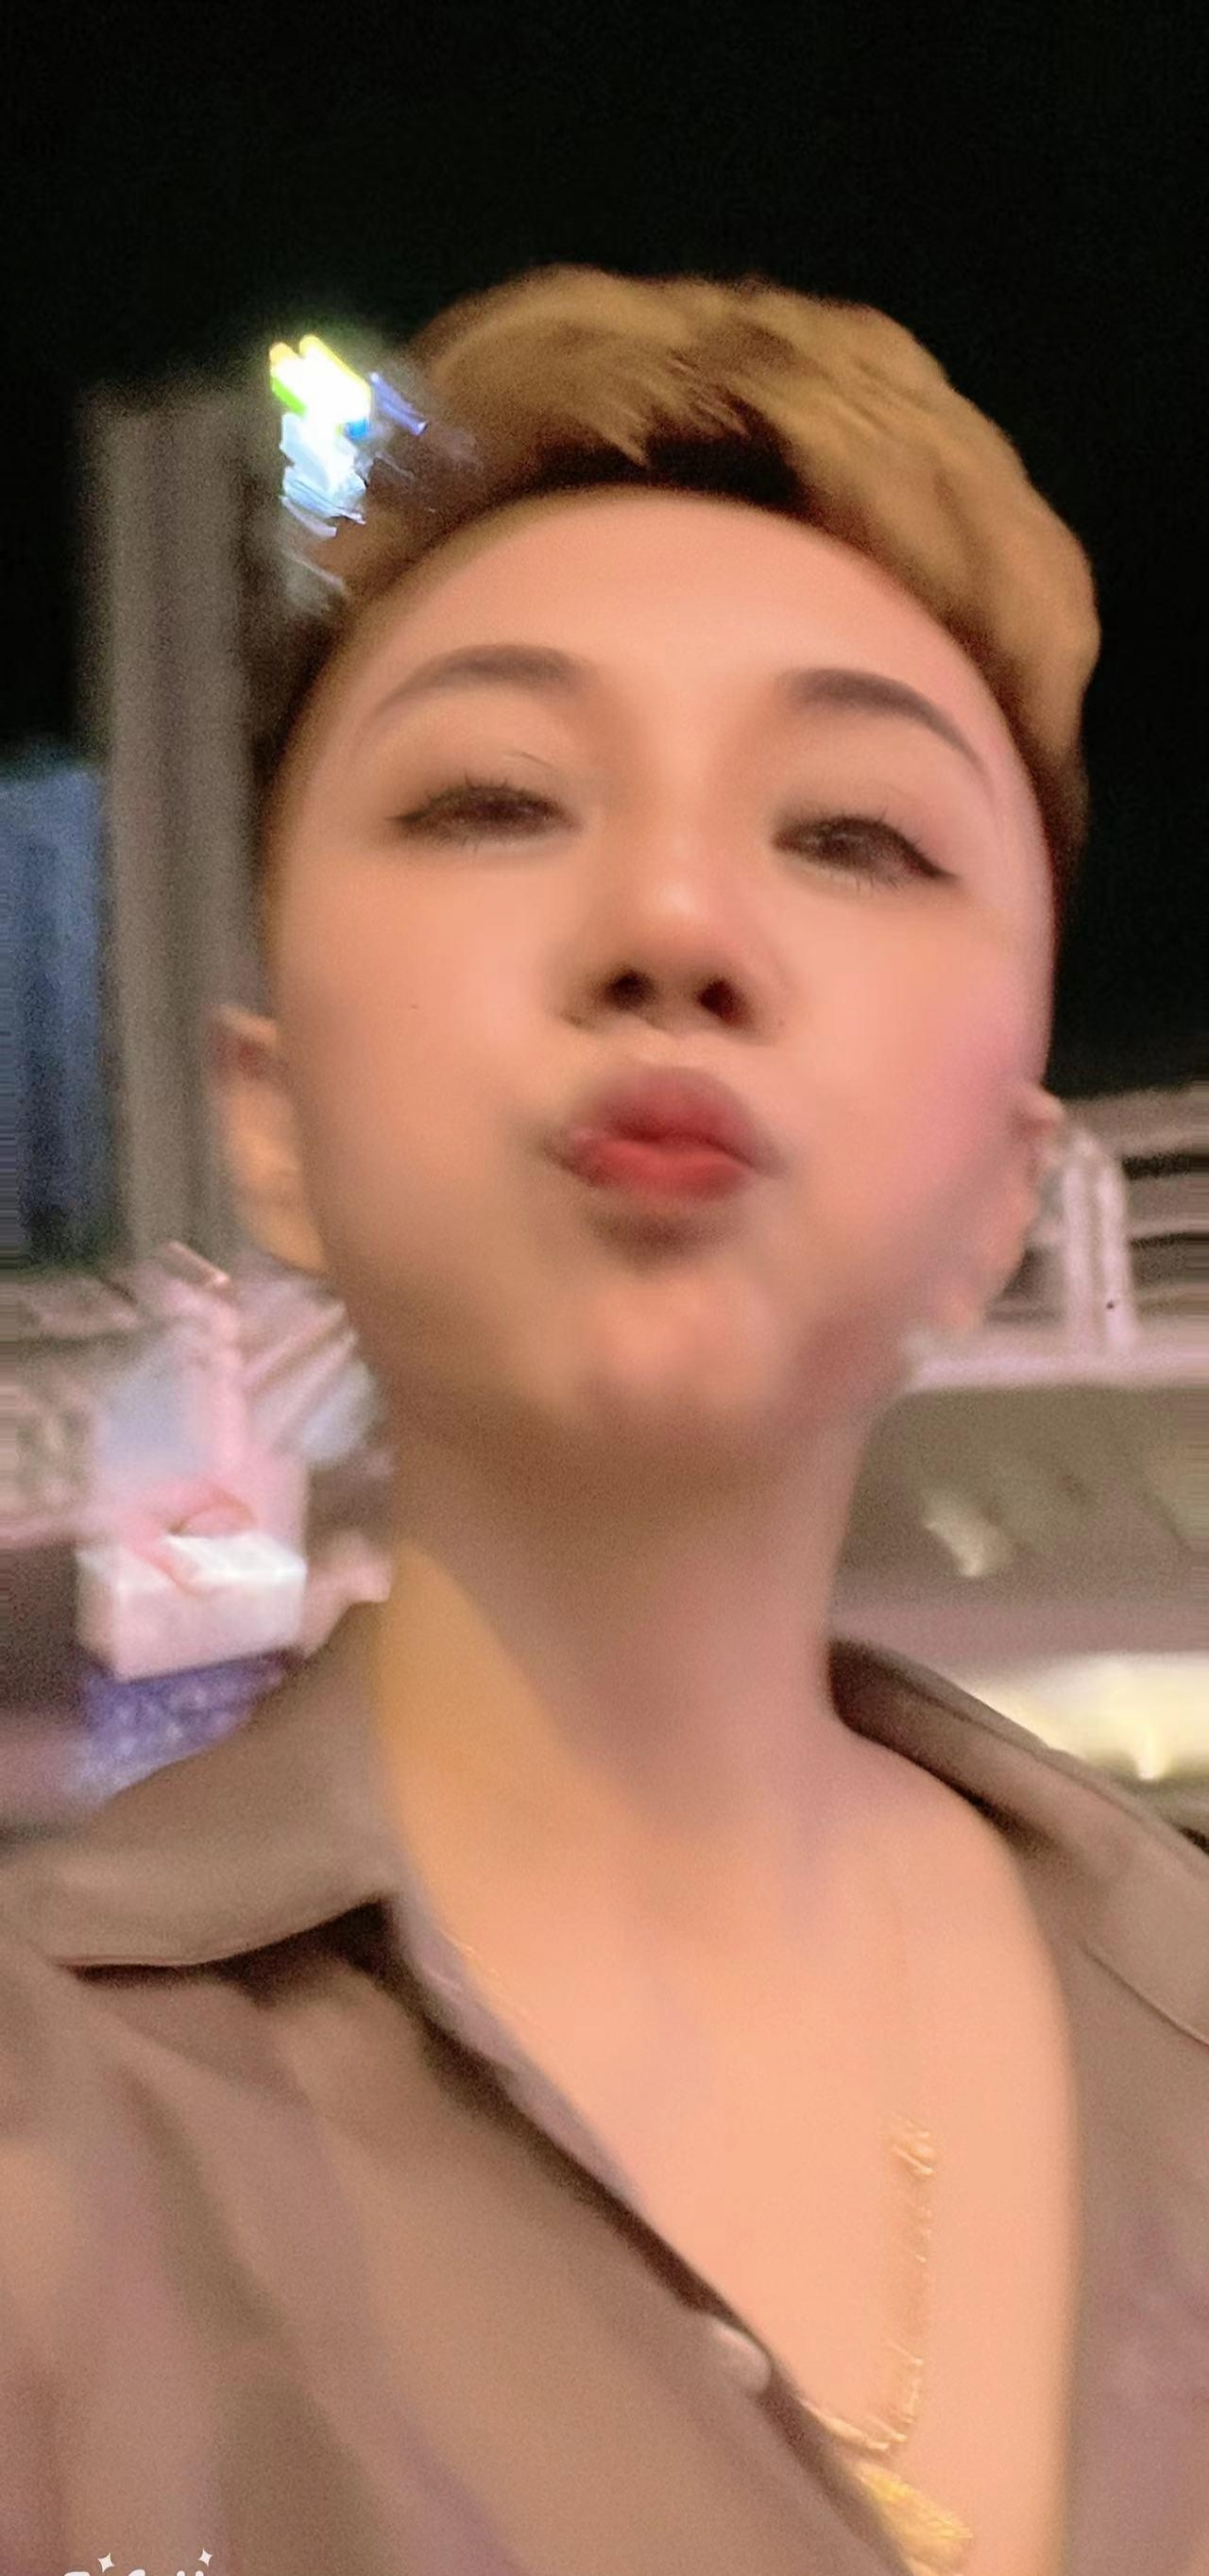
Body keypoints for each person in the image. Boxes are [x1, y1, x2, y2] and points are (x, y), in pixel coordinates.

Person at [2, 265, 1206, 2576]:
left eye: (850, 835)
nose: (670, 917)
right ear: (270, 1117)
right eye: (494, 798)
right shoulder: (53, 2126)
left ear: (1003, 1192)